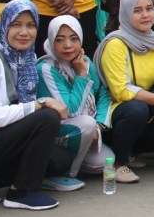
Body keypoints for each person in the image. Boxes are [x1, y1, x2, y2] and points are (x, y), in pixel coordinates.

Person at [0, 0, 71, 210]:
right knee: (47, 117)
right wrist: (40, 103)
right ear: (4, 26)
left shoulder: (26, 58)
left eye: (31, 26)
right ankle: (21, 192)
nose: (24, 32)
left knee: (60, 160)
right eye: (16, 25)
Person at [94, 0, 154, 183]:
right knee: (136, 110)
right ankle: (118, 163)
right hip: (114, 110)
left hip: (146, 109)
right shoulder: (116, 44)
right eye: (137, 10)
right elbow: (121, 91)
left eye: (149, 9)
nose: (145, 15)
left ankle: (130, 150)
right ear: (125, 13)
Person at [36, 15, 112, 190]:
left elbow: (102, 94)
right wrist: (81, 76)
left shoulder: (84, 61)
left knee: (103, 162)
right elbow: (70, 111)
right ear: (51, 40)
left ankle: (77, 157)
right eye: (60, 40)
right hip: (57, 130)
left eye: (74, 38)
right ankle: (65, 174)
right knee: (86, 123)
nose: (68, 45)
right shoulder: (46, 68)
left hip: (82, 128)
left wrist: (98, 126)